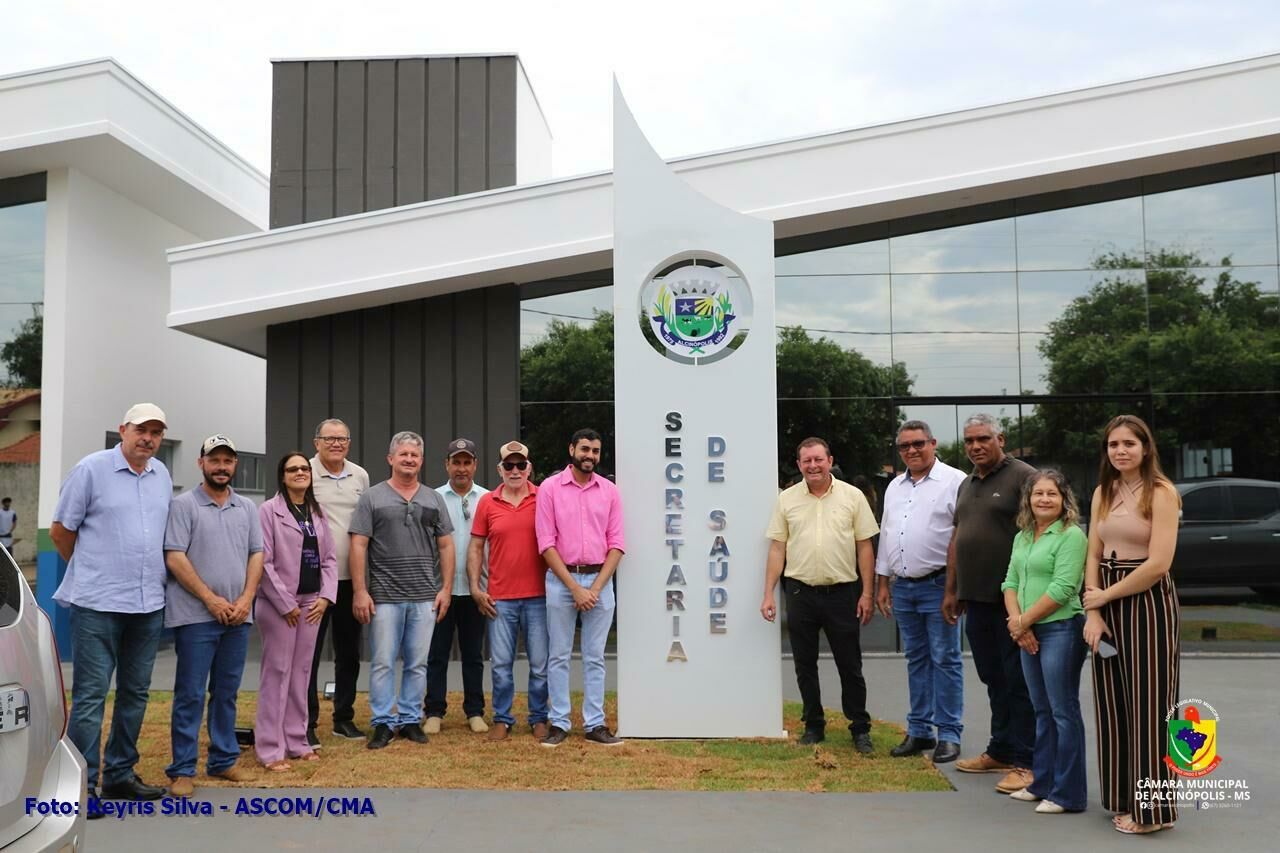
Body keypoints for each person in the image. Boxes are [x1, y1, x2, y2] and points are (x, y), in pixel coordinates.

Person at [51, 403, 173, 807]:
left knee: (136, 694)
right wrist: (92, 569)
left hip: (147, 604)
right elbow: (60, 530)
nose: (148, 439)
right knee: (90, 695)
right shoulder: (91, 469)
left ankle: (120, 775)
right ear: (122, 429)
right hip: (98, 604)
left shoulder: (162, 476)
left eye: (156, 432)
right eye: (141, 430)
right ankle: (83, 786)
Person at [1082, 415, 1181, 835]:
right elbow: (1093, 552)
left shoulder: (1161, 493)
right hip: (1105, 601)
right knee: (1114, 704)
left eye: (1129, 444)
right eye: (1112, 444)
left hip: (1147, 603)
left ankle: (1154, 812)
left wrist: (1105, 595)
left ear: (1145, 448)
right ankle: (1124, 797)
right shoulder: (1103, 492)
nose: (1120, 451)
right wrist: (1093, 609)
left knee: (1151, 706)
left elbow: (1159, 564)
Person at [762, 437, 879, 753]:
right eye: (806, 461)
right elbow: (777, 548)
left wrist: (867, 593)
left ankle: (860, 729)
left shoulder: (852, 497)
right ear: (799, 465)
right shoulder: (787, 499)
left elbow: (864, 546)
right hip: (800, 593)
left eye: (818, 459)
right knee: (804, 664)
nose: (812, 466)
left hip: (842, 593)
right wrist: (768, 594)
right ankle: (813, 726)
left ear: (830, 460)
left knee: (850, 665)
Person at [162, 435, 263, 796]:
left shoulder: (247, 508)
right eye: (215, 460)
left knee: (226, 693)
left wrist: (246, 598)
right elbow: (175, 556)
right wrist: (211, 600)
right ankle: (182, 769)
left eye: (228, 461)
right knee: (190, 693)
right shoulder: (183, 505)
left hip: (238, 617)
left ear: (235, 465)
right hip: (195, 616)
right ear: (201, 462)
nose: (222, 467)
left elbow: (256, 554)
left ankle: (223, 760)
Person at [946, 414, 1037, 794]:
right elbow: (959, 537)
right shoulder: (967, 483)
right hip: (976, 599)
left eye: (983, 438)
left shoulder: (1024, 477)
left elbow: (1041, 533)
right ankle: (1000, 750)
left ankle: (1027, 761)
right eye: (969, 440)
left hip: (1013, 603)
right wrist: (952, 590)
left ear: (1001, 438)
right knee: (994, 679)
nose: (975, 446)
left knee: (1019, 683)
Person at [349, 431, 455, 749]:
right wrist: (360, 591)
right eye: (403, 454)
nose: (409, 459)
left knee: (417, 663)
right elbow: (358, 544)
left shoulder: (433, 499)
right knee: (382, 661)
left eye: (415, 455)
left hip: (425, 596)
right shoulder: (372, 498)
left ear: (421, 461)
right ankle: (382, 722)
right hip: (384, 596)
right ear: (390, 459)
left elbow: (447, 544)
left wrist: (446, 588)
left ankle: (410, 719)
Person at [875, 420, 966, 763]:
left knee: (946, 659)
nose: (911, 451)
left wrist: (954, 588)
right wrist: (883, 582)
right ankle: (920, 731)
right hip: (904, 587)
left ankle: (949, 734)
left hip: (939, 585)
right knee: (916, 659)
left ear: (933, 443)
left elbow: (960, 536)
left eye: (918, 444)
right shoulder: (895, 486)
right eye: (904, 447)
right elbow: (888, 534)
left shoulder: (955, 481)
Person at [1001, 469, 1089, 814]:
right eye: (1038, 493)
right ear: (1028, 499)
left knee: (1062, 711)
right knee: (1041, 711)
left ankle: (1068, 794)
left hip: (1061, 630)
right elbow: (1009, 581)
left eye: (1052, 493)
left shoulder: (1071, 536)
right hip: (1027, 632)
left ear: (1064, 499)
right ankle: (1042, 784)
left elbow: (1064, 588)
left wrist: (1024, 621)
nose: (1044, 499)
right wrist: (1018, 625)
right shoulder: (1024, 535)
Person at [535, 428, 625, 747]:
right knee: (558, 655)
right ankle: (559, 722)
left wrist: (596, 588)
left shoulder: (610, 491)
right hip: (562, 581)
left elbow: (616, 544)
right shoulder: (549, 489)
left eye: (596, 451)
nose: (590, 455)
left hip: (601, 581)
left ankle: (595, 724)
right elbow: (546, 544)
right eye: (585, 449)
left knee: (595, 656)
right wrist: (574, 587)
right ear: (572, 448)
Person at [256, 452, 338, 771]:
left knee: (302, 674)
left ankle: (296, 740)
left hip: (311, 604)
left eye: (305, 468)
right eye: (293, 469)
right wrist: (285, 603)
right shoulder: (268, 511)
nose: (301, 473)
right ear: (283, 476)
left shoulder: (316, 512)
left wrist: (325, 597)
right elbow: (263, 562)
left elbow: (330, 559)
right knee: (277, 673)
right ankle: (270, 747)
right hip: (280, 606)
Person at [469, 441, 549, 741]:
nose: (515, 470)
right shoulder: (487, 503)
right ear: (500, 469)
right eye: (509, 465)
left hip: (540, 596)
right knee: (501, 665)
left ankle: (539, 717)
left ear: (529, 468)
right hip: (499, 597)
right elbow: (476, 547)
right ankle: (502, 718)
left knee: (540, 663)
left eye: (521, 465)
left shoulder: (544, 497)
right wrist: (476, 588)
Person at [308, 418, 370, 744]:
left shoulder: (360, 475)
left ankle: (343, 718)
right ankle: (307, 723)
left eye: (342, 439)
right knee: (310, 654)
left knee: (349, 653)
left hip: (350, 580)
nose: (336, 444)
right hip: (313, 581)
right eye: (329, 439)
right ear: (316, 442)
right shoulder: (303, 472)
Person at [424, 438, 490, 734]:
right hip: (442, 590)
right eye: (456, 462)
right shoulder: (432, 498)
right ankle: (434, 711)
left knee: (473, 655)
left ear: (475, 464)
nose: (461, 468)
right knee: (436, 653)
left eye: (467, 462)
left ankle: (474, 711)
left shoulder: (488, 498)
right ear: (446, 465)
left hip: (476, 590)